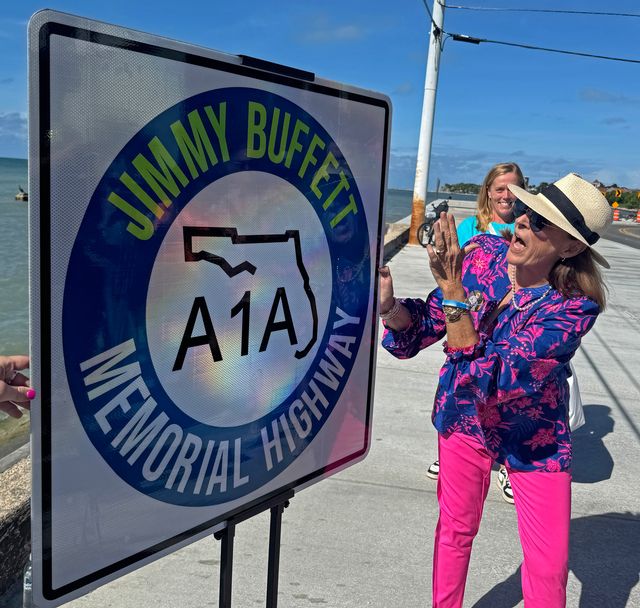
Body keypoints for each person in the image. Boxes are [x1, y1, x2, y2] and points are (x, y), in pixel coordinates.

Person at [379, 173, 612, 607]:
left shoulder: (574, 307)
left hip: (533, 439)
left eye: (541, 223)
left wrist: (453, 289)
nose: (523, 223)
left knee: (548, 565)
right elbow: (428, 325)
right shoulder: (483, 256)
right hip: (463, 420)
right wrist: (389, 307)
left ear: (571, 247)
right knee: (455, 531)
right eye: (527, 213)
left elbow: (496, 376)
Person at [427, 161, 526, 506]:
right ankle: (454, 449)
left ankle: (505, 464)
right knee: (462, 386)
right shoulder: (470, 227)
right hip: (465, 319)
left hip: (509, 328)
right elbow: (450, 274)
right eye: (499, 188)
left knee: (506, 395)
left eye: (513, 188)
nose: (506, 195)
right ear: (487, 191)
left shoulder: (528, 229)